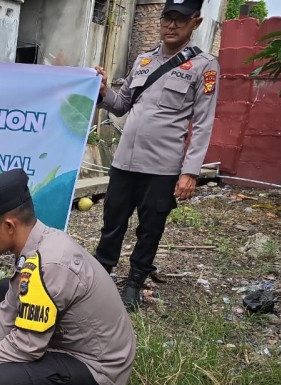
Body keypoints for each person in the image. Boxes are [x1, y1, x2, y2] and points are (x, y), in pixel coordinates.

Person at [0, 169, 136, 385]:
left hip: (99, 369)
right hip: (84, 345)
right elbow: (8, 309)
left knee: (1, 384)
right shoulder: (38, 244)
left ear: (9, 225)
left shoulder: (49, 264)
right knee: (6, 289)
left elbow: (28, 345)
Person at [93, 0, 219, 311]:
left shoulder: (204, 66)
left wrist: (190, 171)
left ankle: (135, 281)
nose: (172, 26)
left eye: (180, 20)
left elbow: (203, 123)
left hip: (162, 167)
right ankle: (100, 274)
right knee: (112, 221)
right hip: (124, 162)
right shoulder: (144, 61)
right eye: (167, 18)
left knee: (150, 228)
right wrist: (101, 90)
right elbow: (120, 105)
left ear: (196, 23)